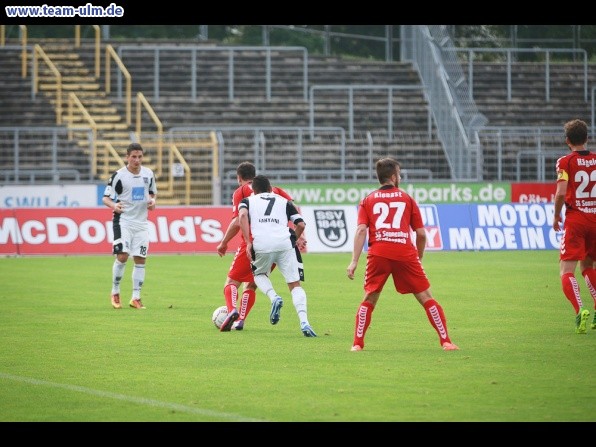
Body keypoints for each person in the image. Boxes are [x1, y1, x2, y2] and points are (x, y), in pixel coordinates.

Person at [346, 157, 458, 351]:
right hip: (404, 253)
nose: (400, 177)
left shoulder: (367, 200)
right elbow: (421, 234)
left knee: (369, 298)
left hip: (378, 253)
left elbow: (361, 231)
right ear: (393, 176)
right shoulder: (407, 199)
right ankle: (446, 341)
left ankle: (357, 344)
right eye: (399, 174)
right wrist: (419, 257)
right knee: (425, 296)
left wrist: (354, 261)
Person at [216, 161, 305, 332]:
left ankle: (232, 309)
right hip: (278, 244)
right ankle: (240, 320)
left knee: (231, 281)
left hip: (254, 242)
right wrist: (298, 237)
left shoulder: (241, 192)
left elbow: (237, 220)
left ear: (239, 178)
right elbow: (293, 210)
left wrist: (224, 242)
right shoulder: (276, 189)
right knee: (251, 284)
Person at [237, 175, 316, 337]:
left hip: (261, 244)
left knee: (258, 275)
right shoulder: (283, 201)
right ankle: (304, 322)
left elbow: (242, 216)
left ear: (254, 190)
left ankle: (274, 297)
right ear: (270, 188)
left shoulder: (248, 201)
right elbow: (300, 224)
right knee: (295, 284)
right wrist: (293, 239)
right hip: (284, 243)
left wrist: (248, 241)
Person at [552, 118, 596, 334]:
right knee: (588, 266)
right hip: (595, 219)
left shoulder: (565, 161)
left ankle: (580, 310)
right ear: (587, 138)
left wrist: (555, 216)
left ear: (567, 141)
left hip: (576, 220)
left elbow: (561, 192)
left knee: (566, 270)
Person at [102, 142, 157, 310]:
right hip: (123, 220)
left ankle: (136, 297)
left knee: (140, 259)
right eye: (134, 157)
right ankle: (115, 291)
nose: (137, 160)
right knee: (123, 256)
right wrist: (114, 206)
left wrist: (152, 202)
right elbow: (106, 198)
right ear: (127, 157)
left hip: (141, 223)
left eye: (140, 157)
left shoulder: (148, 174)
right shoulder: (119, 175)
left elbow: (152, 193)